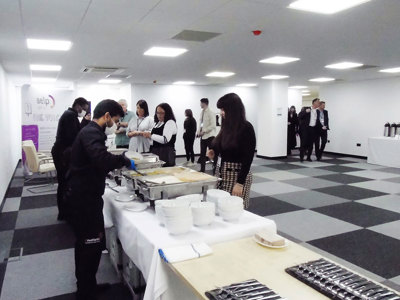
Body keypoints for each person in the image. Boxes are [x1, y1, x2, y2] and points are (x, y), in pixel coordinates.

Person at [65, 99, 135, 300]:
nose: (115, 123)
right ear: (106, 116)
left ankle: (87, 285)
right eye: (114, 119)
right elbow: (102, 160)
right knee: (91, 243)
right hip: (84, 199)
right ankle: (86, 291)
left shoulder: (90, 132)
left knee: (87, 243)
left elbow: (96, 158)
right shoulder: (91, 132)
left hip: (84, 194)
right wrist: (122, 159)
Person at [207, 93, 256, 209]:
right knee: (220, 208)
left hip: (237, 176)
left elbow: (248, 158)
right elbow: (224, 150)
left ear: (233, 110)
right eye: (221, 109)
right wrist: (213, 153)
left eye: (223, 109)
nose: (221, 112)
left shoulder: (246, 128)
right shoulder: (226, 127)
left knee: (234, 210)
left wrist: (240, 183)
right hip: (222, 174)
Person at [51, 97, 89, 221]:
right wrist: (84, 122)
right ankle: (63, 213)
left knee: (64, 182)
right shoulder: (70, 116)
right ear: (78, 106)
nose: (83, 111)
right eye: (83, 109)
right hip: (62, 153)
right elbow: (74, 136)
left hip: (62, 152)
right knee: (63, 182)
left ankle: (64, 212)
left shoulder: (70, 115)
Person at [197, 98, 217, 172]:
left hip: (210, 137)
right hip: (203, 137)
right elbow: (201, 124)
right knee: (202, 154)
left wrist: (204, 131)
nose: (200, 105)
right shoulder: (202, 112)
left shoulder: (211, 112)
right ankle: (202, 170)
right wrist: (198, 132)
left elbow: (213, 125)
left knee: (212, 154)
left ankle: (215, 170)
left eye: (200, 103)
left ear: (204, 103)